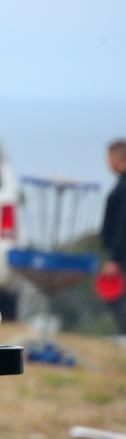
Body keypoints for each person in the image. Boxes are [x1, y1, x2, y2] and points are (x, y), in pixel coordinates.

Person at [100, 139, 126, 333]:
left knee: (117, 296)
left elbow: (122, 224)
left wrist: (115, 259)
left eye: (109, 158)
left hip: (122, 256)